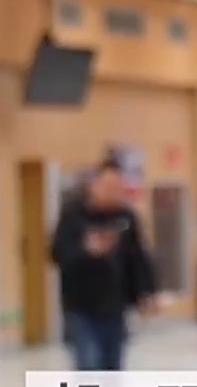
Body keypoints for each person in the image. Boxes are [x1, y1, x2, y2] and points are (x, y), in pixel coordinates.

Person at [49, 159, 157, 372]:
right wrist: (87, 252)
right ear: (94, 186)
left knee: (112, 367)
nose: (113, 193)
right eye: (108, 187)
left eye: (118, 188)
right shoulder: (73, 216)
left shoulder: (126, 218)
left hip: (115, 307)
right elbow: (57, 254)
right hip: (81, 308)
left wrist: (147, 292)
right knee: (89, 364)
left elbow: (137, 257)